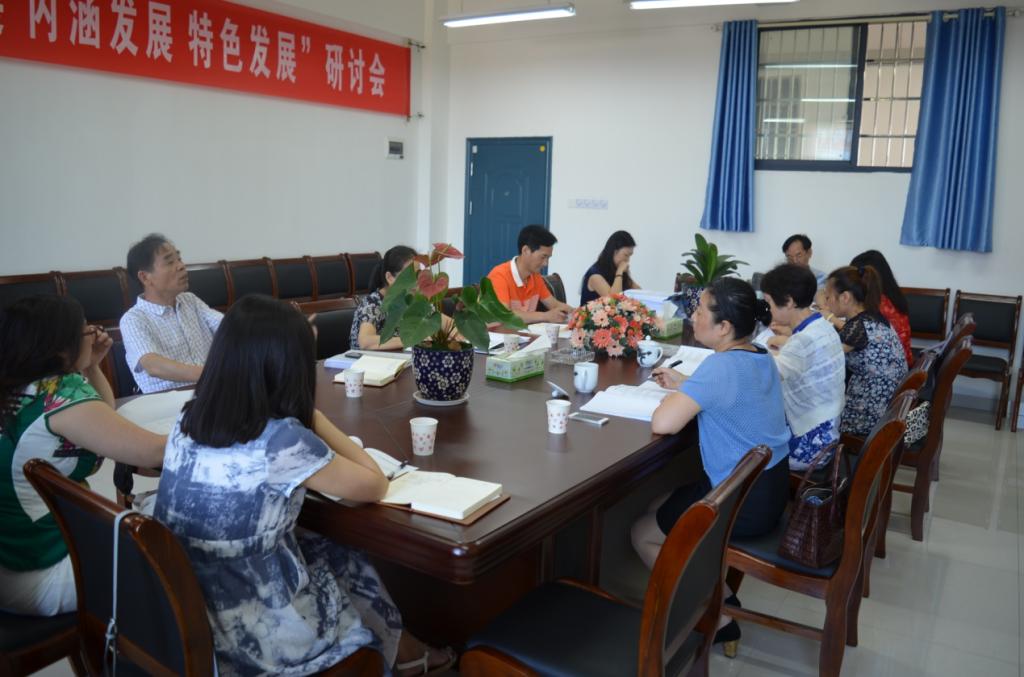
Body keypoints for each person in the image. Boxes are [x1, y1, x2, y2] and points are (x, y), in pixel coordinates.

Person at [153, 295, 454, 676]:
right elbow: (375, 483)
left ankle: (404, 649)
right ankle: (399, 651)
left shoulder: (188, 420)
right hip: (257, 639)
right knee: (344, 553)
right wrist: (313, 417)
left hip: (188, 615)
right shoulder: (281, 440)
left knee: (324, 543)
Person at [631, 278, 791, 650]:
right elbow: (733, 391)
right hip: (768, 488)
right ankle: (719, 596)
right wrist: (688, 384)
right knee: (657, 505)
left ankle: (719, 614)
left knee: (642, 532)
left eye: (701, 310)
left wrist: (681, 394)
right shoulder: (758, 354)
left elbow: (663, 423)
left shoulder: (719, 368)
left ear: (724, 327)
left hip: (741, 503)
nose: (693, 316)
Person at [0, 295, 165, 616]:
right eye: (85, 330)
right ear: (61, 348)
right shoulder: (61, 397)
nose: (93, 334)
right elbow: (154, 452)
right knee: (183, 535)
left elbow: (103, 419)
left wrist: (91, 366)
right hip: (44, 572)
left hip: (15, 558)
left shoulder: (26, 388)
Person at [760, 265, 846, 470]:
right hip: (829, 434)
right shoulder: (822, 325)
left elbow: (764, 377)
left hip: (810, 447)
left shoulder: (803, 341)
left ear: (789, 301)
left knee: (739, 444)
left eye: (769, 302)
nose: (767, 308)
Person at [120, 234, 222, 393]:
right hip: (167, 401)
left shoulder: (190, 301)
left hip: (210, 391)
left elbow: (226, 326)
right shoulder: (133, 319)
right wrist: (214, 373)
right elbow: (152, 365)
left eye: (179, 259)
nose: (181, 266)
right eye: (170, 262)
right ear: (145, 277)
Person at [821, 266, 908, 437]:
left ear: (845, 297)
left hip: (869, 415)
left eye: (828, 296)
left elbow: (821, 357)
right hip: (887, 406)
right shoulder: (871, 317)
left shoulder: (858, 328)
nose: (826, 301)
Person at [487, 224, 575, 324]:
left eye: (548, 258)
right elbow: (504, 315)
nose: (546, 263)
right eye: (543, 257)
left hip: (524, 333)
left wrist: (578, 313)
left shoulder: (535, 276)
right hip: (500, 334)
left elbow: (553, 304)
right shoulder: (499, 276)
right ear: (525, 250)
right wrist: (545, 316)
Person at [849, 250, 912, 366]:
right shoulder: (892, 295)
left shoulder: (877, 303)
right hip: (903, 360)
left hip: (890, 365)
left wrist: (830, 316)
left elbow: (854, 333)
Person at [352, 245, 417, 350]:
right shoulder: (372, 303)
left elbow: (443, 323)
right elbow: (366, 342)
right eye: (409, 275)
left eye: (418, 274)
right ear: (390, 278)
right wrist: (412, 339)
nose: (416, 281)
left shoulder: (413, 299)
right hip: (368, 360)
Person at [579, 230, 642, 305]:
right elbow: (614, 301)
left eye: (630, 256)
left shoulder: (615, 269)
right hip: (590, 313)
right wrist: (619, 272)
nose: (628, 260)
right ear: (614, 252)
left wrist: (621, 273)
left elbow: (639, 293)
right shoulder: (595, 275)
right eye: (626, 255)